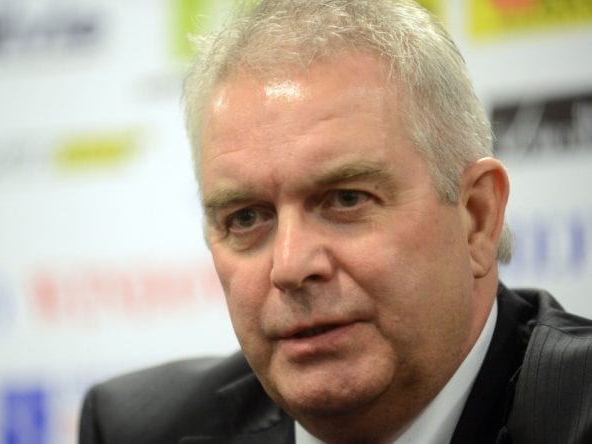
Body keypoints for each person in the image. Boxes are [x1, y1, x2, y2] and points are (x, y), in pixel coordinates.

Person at [78, 1, 592, 443]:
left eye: (346, 199)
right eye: (246, 217)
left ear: (477, 217)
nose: (290, 266)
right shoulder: (139, 429)